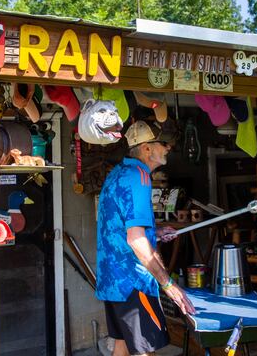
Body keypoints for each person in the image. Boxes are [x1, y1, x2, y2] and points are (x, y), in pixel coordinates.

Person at [96, 120, 196, 356]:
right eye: (164, 143)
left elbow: (122, 227)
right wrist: (168, 284)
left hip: (113, 282)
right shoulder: (139, 178)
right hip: (133, 283)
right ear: (146, 148)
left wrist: (155, 232)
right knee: (143, 351)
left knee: (122, 346)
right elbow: (136, 240)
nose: (168, 148)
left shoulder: (118, 174)